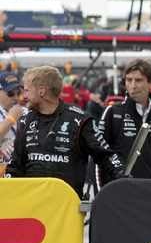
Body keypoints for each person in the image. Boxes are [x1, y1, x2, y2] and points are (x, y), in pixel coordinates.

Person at [7, 66, 126, 197]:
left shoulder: (80, 119)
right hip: (32, 202)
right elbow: (14, 166)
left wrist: (124, 178)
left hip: (67, 203)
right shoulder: (25, 120)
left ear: (41, 91)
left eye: (27, 90)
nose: (24, 96)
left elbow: (106, 156)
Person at [98, 59, 151, 181]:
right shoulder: (112, 112)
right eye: (129, 80)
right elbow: (99, 154)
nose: (133, 86)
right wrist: (102, 190)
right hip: (122, 186)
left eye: (138, 80)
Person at [0, 73, 26, 175]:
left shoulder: (23, 111)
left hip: (16, 171)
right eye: (10, 93)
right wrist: (11, 119)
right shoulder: (13, 114)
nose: (16, 97)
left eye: (18, 93)